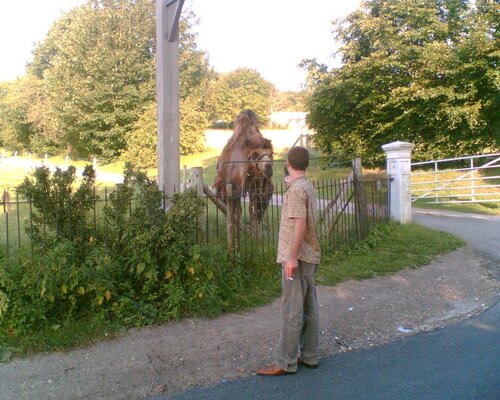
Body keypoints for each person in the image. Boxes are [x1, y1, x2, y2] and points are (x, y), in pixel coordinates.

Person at [257, 146, 321, 376]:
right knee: (309, 307)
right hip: (310, 254)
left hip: (298, 257)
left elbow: (300, 224)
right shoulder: (305, 185)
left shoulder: (296, 191)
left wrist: (292, 257)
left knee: (292, 310)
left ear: (288, 162)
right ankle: (310, 355)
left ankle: (285, 362)